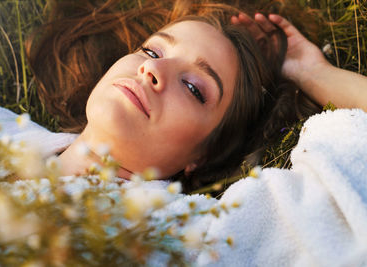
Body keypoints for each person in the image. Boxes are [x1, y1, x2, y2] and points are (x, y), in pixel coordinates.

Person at [24, 0, 366, 193]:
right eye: (152, 52)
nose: (152, 71)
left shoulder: (186, 237)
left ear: (202, 156)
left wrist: (312, 72)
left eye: (193, 88)